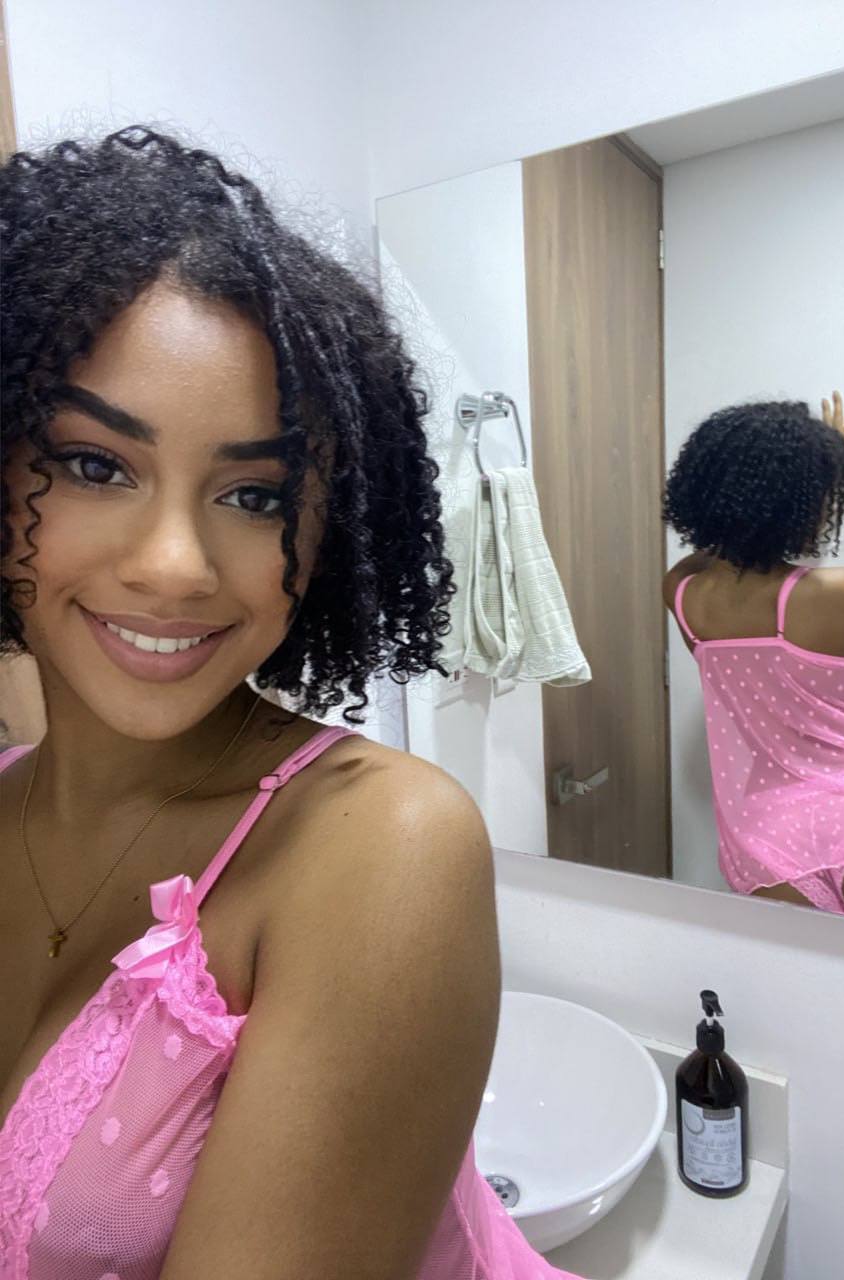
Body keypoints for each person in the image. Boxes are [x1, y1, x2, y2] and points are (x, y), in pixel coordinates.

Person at [0, 126, 583, 1280]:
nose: (176, 565)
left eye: (256, 494)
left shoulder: (380, 846)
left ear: (326, 534)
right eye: (98, 464)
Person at [662, 393, 844, 932]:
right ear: (806, 501)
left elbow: (724, 552)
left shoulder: (682, 590)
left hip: (767, 841)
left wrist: (816, 485)